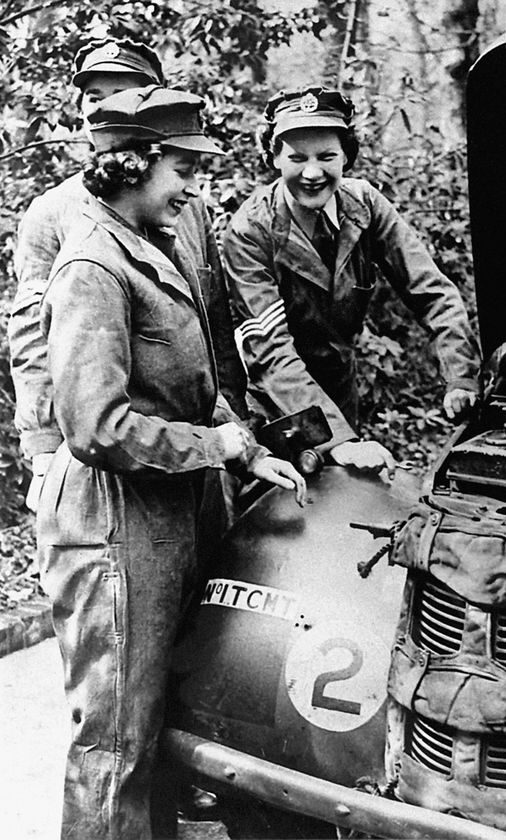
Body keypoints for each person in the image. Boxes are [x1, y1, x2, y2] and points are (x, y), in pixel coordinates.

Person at [36, 84, 307, 840]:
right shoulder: (93, 264)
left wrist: (245, 449)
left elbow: (188, 388)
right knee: (115, 742)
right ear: (133, 164)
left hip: (170, 509)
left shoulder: (151, 244)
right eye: (182, 167)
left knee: (161, 728)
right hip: (114, 526)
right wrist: (213, 447)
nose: (193, 186)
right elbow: (96, 425)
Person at [9, 38, 247, 512]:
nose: (107, 105)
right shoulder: (54, 212)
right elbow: (33, 339)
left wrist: (233, 426)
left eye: (125, 92)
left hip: (192, 445)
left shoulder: (184, 205)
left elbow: (210, 318)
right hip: (108, 456)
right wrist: (42, 453)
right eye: (95, 95)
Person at [223, 85, 481, 475]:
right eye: (296, 158)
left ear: (347, 156)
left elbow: (432, 292)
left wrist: (461, 376)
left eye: (327, 156)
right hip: (276, 408)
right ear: (274, 159)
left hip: (339, 395)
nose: (312, 173)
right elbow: (269, 353)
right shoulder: (250, 231)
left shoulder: (364, 205)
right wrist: (339, 442)